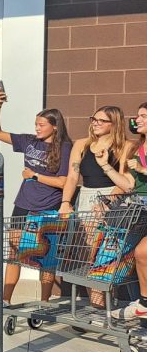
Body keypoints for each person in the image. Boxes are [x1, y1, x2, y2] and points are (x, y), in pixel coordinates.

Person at [0, 90, 71, 305]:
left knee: (47, 255)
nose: (37, 128)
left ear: (55, 126)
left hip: (48, 207)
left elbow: (63, 182)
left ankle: (44, 301)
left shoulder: (64, 148)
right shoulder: (28, 141)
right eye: (36, 124)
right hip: (23, 204)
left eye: (41, 124)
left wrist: (35, 175)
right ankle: (5, 299)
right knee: (15, 250)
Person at [60, 105, 133, 308]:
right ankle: (98, 304)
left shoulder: (125, 147)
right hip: (86, 198)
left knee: (104, 254)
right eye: (94, 119)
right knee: (86, 252)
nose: (96, 123)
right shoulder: (82, 145)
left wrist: (106, 202)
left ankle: (104, 302)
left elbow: (125, 181)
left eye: (102, 120)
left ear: (114, 123)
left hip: (111, 199)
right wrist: (65, 202)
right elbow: (73, 176)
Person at [113, 103, 147, 321]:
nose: (138, 119)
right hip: (142, 209)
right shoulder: (137, 148)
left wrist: (143, 169)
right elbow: (129, 183)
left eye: (144, 115)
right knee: (139, 254)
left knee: (143, 252)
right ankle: (144, 303)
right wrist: (105, 167)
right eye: (138, 115)